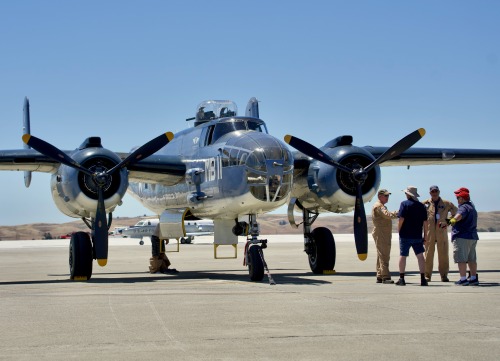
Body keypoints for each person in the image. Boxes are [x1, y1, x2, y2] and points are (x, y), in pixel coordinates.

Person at [422, 185, 457, 282]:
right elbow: (419, 216)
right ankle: (427, 275)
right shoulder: (425, 204)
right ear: (430, 193)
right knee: (428, 255)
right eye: (433, 191)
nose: (434, 193)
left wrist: (448, 222)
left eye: (436, 191)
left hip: (442, 232)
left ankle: (444, 275)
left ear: (439, 192)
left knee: (443, 255)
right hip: (429, 233)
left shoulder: (446, 203)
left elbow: (456, 213)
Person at [396, 186, 428, 286]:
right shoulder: (421, 206)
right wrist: (425, 235)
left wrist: (399, 230)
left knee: (403, 255)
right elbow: (425, 223)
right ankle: (423, 278)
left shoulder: (404, 204)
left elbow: (401, 219)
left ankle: (402, 278)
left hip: (405, 234)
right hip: (417, 235)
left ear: (408, 194)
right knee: (420, 256)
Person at [448, 187, 479, 286]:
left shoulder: (463, 207)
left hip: (462, 237)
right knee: (472, 259)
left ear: (462, 198)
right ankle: (473, 278)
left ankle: (463, 279)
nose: (457, 200)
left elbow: (460, 215)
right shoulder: (472, 207)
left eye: (458, 198)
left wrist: (453, 220)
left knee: (461, 258)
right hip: (472, 237)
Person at [371, 189, 398, 284]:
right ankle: (386, 277)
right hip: (381, 233)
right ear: (380, 196)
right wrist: (398, 213)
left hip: (382, 233)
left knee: (381, 254)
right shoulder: (379, 206)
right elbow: (387, 215)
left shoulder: (381, 206)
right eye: (385, 196)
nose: (387, 198)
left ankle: (380, 275)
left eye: (388, 196)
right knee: (384, 255)